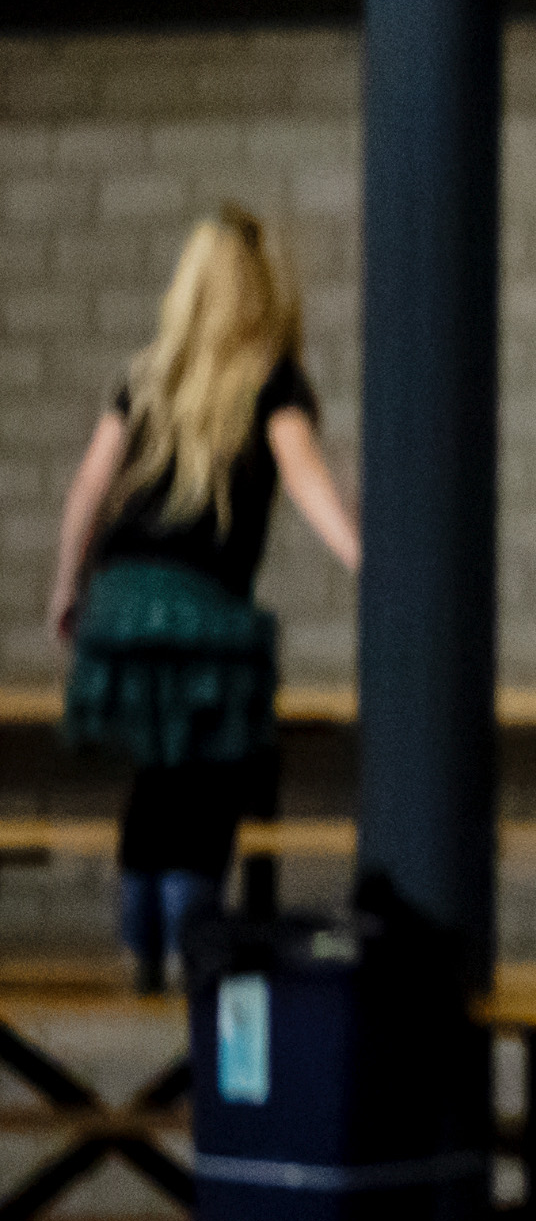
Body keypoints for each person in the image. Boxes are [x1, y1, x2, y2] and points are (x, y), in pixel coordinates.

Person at [43, 207, 359, 991]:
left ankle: (140, 949)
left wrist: (66, 585)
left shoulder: (147, 376)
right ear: (263, 289)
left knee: (158, 773)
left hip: (121, 600)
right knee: (209, 779)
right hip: (200, 605)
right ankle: (195, 953)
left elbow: (89, 486)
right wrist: (368, 561)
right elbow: (305, 477)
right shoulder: (270, 379)